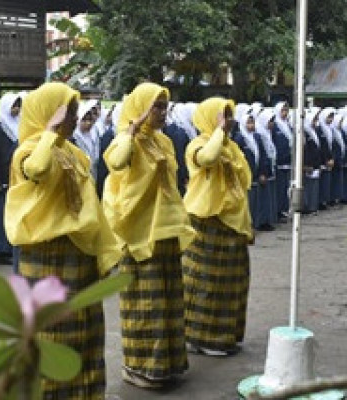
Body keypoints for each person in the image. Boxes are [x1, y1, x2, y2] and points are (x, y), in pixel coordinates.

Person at [4, 82, 122, 399]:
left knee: (84, 332)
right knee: (52, 335)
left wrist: (102, 252)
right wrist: (50, 131)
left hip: (78, 255)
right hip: (45, 258)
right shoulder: (27, 151)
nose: (73, 118)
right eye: (67, 112)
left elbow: (91, 206)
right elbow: (37, 169)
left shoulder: (75, 153)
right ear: (47, 114)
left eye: (73, 112)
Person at [103, 82, 195, 388]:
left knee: (168, 302)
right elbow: (115, 162)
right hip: (139, 232)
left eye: (164, 106)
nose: (162, 112)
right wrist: (133, 129)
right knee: (144, 304)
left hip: (166, 231)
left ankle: (168, 364)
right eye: (156, 106)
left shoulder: (164, 142)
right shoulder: (125, 141)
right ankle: (139, 367)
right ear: (140, 108)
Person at [182, 97, 252, 356]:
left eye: (230, 116)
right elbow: (208, 158)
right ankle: (202, 337)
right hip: (206, 222)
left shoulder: (231, 147)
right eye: (222, 116)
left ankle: (224, 335)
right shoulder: (197, 145)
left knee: (231, 283)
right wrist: (220, 132)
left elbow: (245, 180)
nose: (228, 122)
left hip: (231, 225)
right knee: (204, 283)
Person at [0, 92, 22, 265]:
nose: (17, 109)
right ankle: (1, 250)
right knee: (0, 214)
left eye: (18, 105)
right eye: (14, 105)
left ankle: (9, 248)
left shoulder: (19, 125)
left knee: (11, 214)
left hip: (14, 177)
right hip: (1, 178)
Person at [272, 102, 293, 221]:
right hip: (279, 163)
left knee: (285, 188)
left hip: (287, 163)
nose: (285, 113)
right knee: (279, 189)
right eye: (283, 111)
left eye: (286, 110)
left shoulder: (288, 125)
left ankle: (283, 209)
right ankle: (278, 211)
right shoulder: (275, 126)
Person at [72, 100, 100, 181]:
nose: (88, 123)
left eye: (90, 120)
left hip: (93, 173)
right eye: (84, 120)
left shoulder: (94, 134)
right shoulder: (74, 137)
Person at [303, 110, 321, 214]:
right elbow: (306, 150)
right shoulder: (306, 132)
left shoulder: (313, 133)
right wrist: (306, 164)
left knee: (313, 187)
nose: (315, 122)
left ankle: (312, 206)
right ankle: (308, 207)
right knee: (308, 187)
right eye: (314, 120)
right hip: (308, 165)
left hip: (315, 164)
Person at [317, 108, 335, 210]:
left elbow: (330, 146)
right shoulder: (320, 130)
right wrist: (326, 160)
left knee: (326, 183)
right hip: (323, 160)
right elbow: (322, 147)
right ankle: (320, 202)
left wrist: (331, 158)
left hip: (329, 159)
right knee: (322, 183)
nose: (331, 120)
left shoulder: (329, 129)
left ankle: (325, 201)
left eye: (332, 117)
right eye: (329, 117)